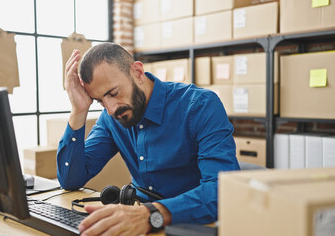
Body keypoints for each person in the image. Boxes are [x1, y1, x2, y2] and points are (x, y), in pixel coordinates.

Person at [57, 42, 239, 236]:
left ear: (137, 72)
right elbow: (70, 180)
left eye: (113, 93)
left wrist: (150, 215)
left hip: (191, 226)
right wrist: (78, 111)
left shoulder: (200, 106)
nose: (110, 109)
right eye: (100, 102)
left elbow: (222, 191)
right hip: (137, 223)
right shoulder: (111, 119)